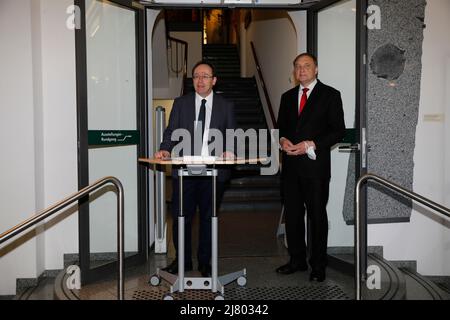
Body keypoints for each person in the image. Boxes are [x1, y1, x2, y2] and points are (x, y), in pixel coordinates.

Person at [154, 61, 236, 277]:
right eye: (197, 76)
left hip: (214, 172)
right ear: (193, 80)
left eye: (205, 76)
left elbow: (231, 135)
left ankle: (205, 262)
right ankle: (182, 261)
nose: (200, 80)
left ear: (214, 80)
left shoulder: (225, 105)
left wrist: (229, 150)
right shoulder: (181, 103)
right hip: (185, 172)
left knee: (209, 218)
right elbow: (171, 131)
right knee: (182, 216)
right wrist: (164, 149)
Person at [276, 53, 345, 282]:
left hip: (315, 169)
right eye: (297, 66)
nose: (301, 70)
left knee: (317, 216)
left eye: (306, 66)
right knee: (293, 216)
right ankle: (297, 260)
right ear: (294, 71)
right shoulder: (286, 97)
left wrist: (310, 144)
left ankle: (318, 265)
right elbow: (281, 129)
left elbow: (338, 131)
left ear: (316, 69)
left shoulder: (330, 95)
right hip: (291, 169)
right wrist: (283, 141)